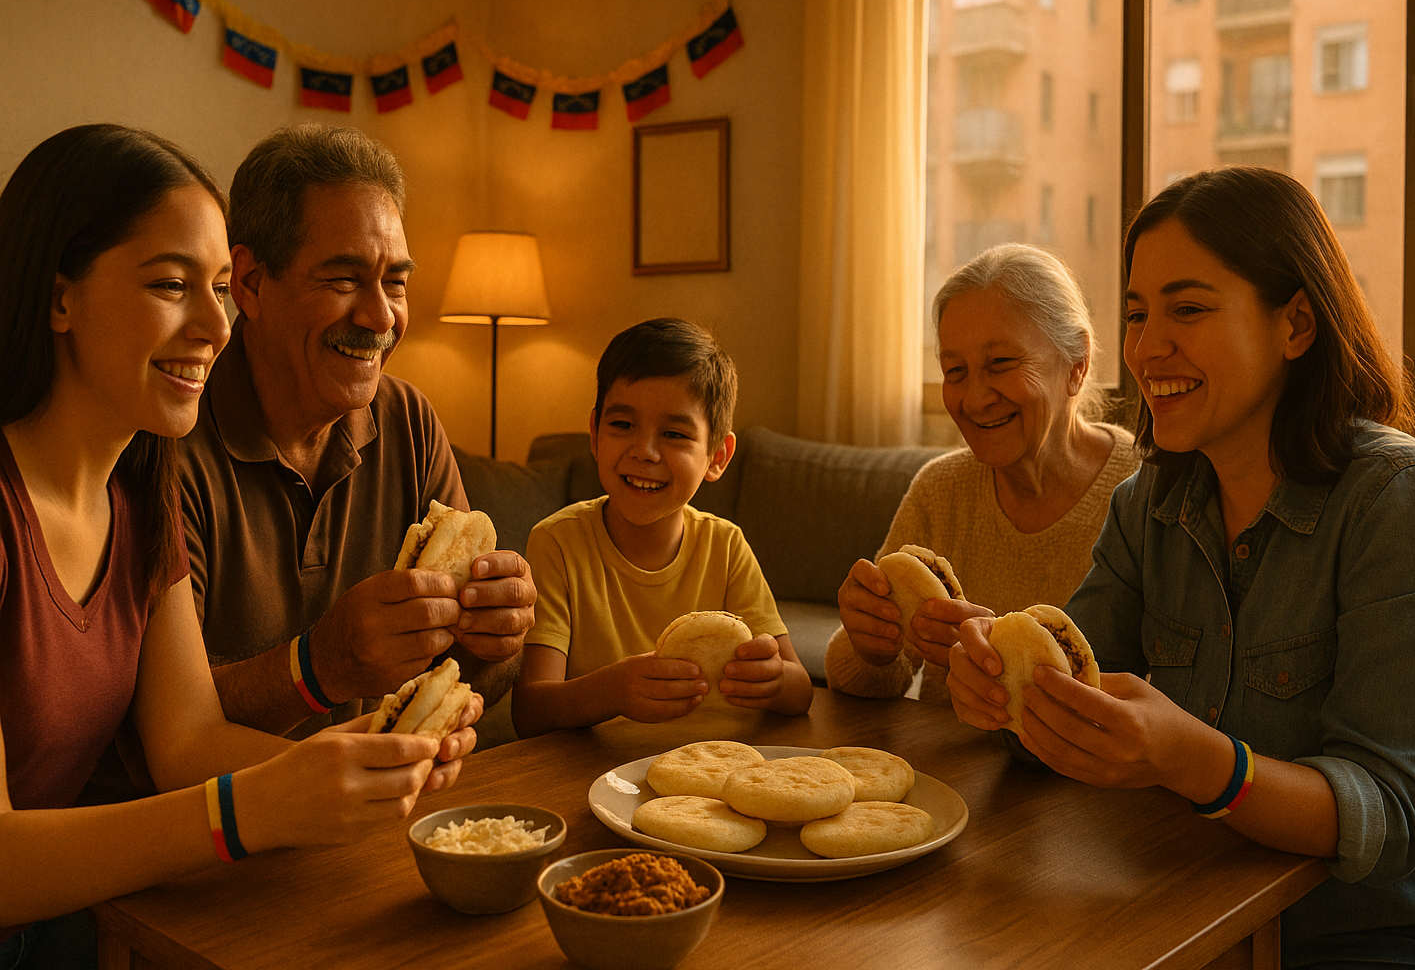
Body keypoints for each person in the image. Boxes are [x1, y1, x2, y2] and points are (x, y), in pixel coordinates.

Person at [949, 167, 1415, 968]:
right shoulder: (1150, 502)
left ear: (1295, 324)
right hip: (1200, 916)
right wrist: (1005, 696)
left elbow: (1388, 815)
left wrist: (1190, 758)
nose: (1150, 346)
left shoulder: (1401, 502)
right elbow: (1081, 694)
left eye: (1187, 309)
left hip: (1400, 938)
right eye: (1136, 313)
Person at [0, 124, 479, 970]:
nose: (214, 324)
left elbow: (187, 740)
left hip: (86, 923)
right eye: (171, 285)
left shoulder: (138, 495)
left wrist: (361, 770)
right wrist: (243, 811)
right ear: (57, 296)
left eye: (218, 288)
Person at [178, 124, 535, 740]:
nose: (380, 316)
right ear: (251, 283)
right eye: (343, 279)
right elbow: (165, 727)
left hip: (387, 808)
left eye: (395, 281)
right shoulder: (171, 436)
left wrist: (496, 640)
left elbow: (471, 676)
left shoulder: (410, 423)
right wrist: (321, 667)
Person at [825, 244, 1138, 704]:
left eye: (1001, 364)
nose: (974, 399)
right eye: (955, 370)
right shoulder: (940, 491)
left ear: (1077, 364)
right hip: (951, 769)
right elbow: (878, 680)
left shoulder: (1148, 491)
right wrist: (871, 646)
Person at [511, 318, 813, 737]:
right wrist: (613, 691)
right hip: (601, 774)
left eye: (673, 433)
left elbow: (801, 693)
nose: (644, 451)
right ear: (595, 434)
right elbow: (529, 711)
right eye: (622, 425)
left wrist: (773, 680)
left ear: (718, 457)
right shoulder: (558, 542)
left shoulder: (725, 545)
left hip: (722, 767)